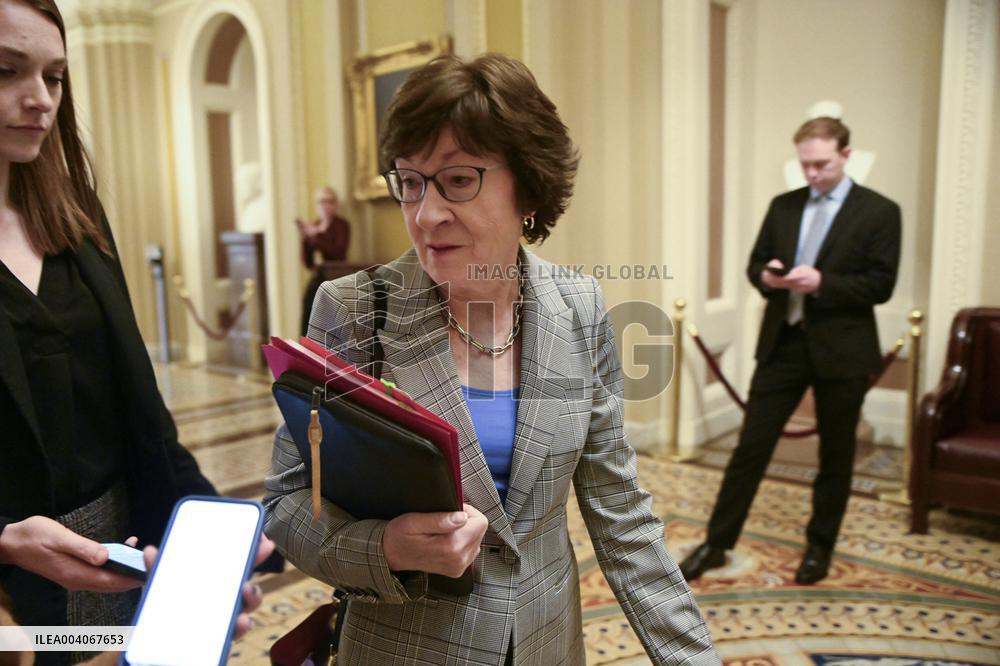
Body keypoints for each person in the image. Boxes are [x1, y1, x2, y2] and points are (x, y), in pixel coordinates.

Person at [264, 53, 718, 665]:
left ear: (527, 186)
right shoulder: (353, 310)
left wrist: (692, 658)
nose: (426, 215)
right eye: (411, 182)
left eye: (457, 180)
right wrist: (386, 547)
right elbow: (289, 502)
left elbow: (622, 516)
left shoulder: (579, 308)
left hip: (544, 645)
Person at [0, 1, 270, 661]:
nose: (40, 100)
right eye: (7, 71)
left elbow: (142, 419)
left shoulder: (78, 222)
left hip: (121, 563)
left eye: (56, 77)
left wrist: (208, 531)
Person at [679, 117, 901, 585]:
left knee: (836, 456)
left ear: (845, 154)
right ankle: (717, 544)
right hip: (783, 342)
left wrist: (823, 282)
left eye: (821, 164)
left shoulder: (880, 211)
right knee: (749, 449)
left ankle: (819, 548)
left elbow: (881, 285)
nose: (813, 174)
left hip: (843, 350)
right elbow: (755, 264)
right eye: (806, 165)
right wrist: (769, 275)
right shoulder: (784, 206)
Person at [296, 185, 350, 335]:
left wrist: (317, 235)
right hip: (319, 277)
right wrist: (305, 240)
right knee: (308, 310)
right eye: (321, 201)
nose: (325, 206)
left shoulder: (341, 225)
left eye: (329, 201)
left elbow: (338, 252)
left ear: (335, 204)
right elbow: (308, 263)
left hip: (336, 278)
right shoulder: (315, 225)